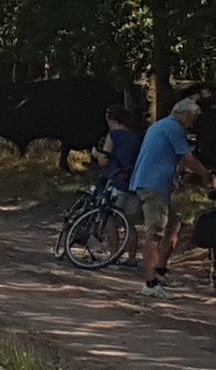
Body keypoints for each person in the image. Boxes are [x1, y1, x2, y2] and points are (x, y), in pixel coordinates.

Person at [128, 98, 215, 299]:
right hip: (154, 186)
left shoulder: (159, 126)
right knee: (155, 234)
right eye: (192, 118)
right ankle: (150, 284)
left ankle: (160, 272)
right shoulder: (174, 128)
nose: (193, 123)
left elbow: (171, 158)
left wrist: (181, 178)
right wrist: (207, 177)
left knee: (175, 225)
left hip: (153, 183)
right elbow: (188, 158)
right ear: (183, 114)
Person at [92, 104, 141, 265]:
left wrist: (97, 155)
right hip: (132, 183)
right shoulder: (135, 137)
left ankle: (113, 255)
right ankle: (132, 258)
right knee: (129, 223)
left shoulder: (113, 135)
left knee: (110, 220)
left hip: (115, 181)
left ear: (111, 119)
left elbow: (105, 160)